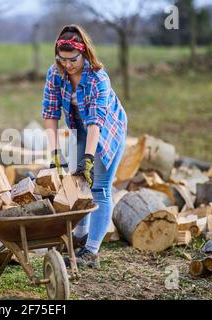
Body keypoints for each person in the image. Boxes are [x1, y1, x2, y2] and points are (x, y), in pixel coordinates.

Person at [42, 25, 127, 268]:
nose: (67, 65)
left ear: (84, 53)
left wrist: (89, 158)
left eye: (73, 60)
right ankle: (81, 235)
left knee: (99, 185)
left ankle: (91, 252)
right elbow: (50, 113)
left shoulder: (98, 77)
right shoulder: (55, 73)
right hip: (79, 128)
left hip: (107, 129)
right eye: (62, 59)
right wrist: (55, 152)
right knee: (77, 180)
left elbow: (95, 122)